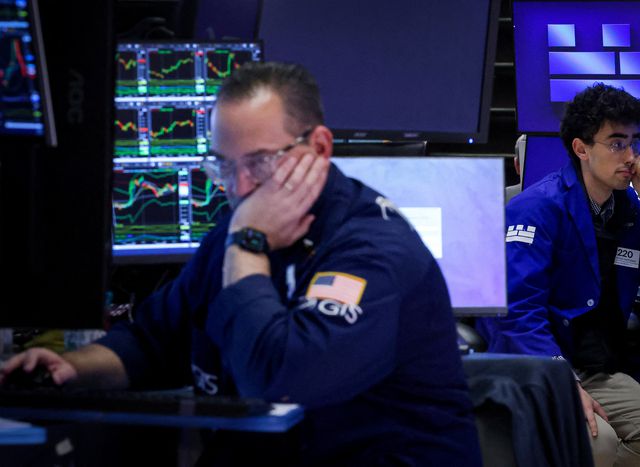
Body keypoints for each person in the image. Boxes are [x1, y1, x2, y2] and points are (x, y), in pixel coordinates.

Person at [0, 62, 481, 466]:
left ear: (318, 147)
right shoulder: (236, 233)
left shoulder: (372, 251)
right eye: (224, 166)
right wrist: (71, 368)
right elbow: (153, 340)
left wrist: (248, 246)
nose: (240, 186)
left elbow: (281, 381)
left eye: (260, 162)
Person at [478, 83, 640, 467]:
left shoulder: (627, 212)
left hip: (596, 366)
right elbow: (514, 312)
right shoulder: (537, 209)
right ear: (582, 149)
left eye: (634, 142)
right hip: (538, 363)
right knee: (600, 443)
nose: (631, 156)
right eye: (616, 144)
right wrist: (560, 377)